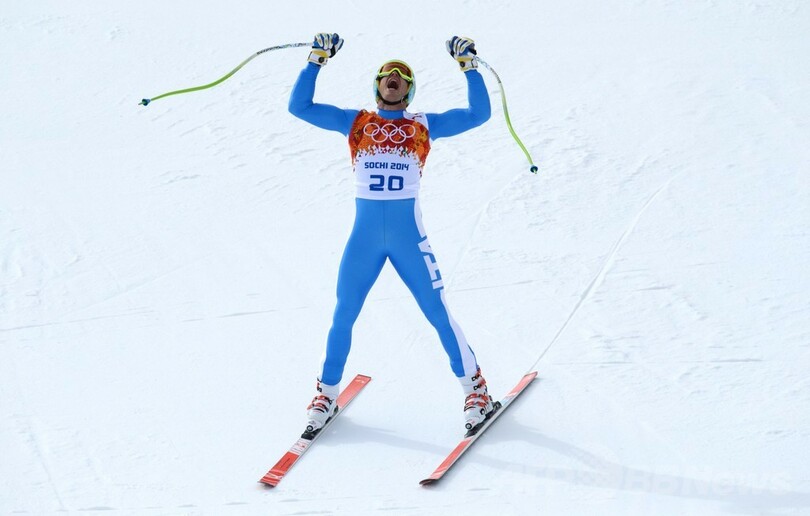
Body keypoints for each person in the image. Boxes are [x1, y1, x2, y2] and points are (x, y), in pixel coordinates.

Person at [289, 33, 494, 434]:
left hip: (407, 239)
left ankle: (476, 391)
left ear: (409, 90)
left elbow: (478, 114)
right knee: (343, 313)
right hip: (364, 240)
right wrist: (316, 60)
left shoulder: (424, 126)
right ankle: (326, 394)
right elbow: (299, 107)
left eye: (402, 76)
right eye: (387, 74)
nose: (394, 77)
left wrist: (469, 67)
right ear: (378, 85)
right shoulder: (357, 123)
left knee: (437, 312)